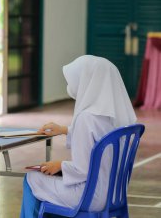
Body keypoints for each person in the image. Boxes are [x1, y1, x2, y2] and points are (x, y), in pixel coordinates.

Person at [20, 55, 137, 217]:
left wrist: (59, 165)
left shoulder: (85, 119)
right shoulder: (111, 117)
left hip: (89, 197)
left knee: (32, 178)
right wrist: (63, 129)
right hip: (112, 194)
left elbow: (81, 169)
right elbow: (98, 138)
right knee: (46, 183)